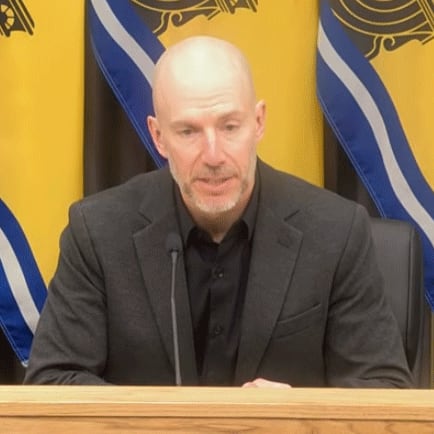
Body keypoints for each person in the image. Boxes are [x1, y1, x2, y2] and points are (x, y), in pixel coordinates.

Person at [24, 36, 412, 388]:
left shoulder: (335, 232)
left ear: (258, 122)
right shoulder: (98, 232)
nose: (213, 156)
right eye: (189, 132)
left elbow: (385, 388)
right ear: (158, 137)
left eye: (229, 127)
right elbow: (52, 381)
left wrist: (297, 416)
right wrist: (160, 423)